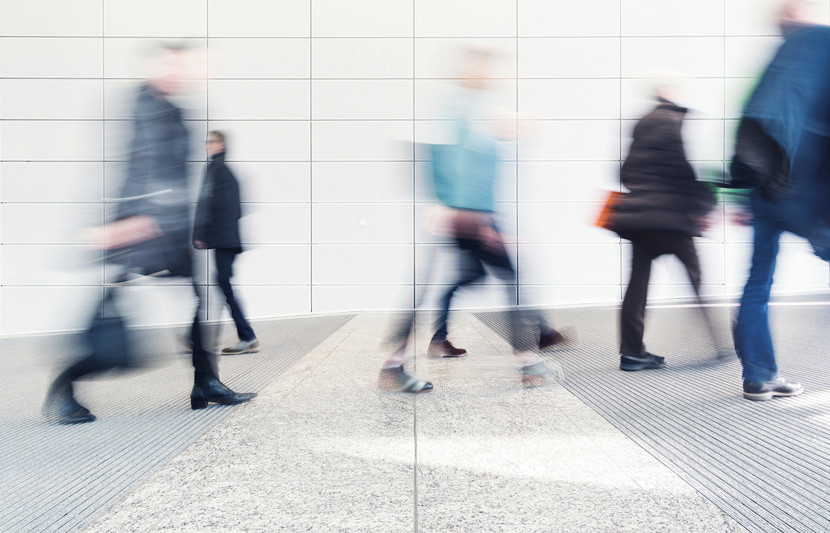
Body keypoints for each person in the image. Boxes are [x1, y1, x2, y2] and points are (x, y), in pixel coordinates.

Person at [43, 43, 255, 424]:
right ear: (154, 67)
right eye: (172, 64)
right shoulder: (141, 107)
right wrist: (124, 223)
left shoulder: (177, 112)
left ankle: (206, 382)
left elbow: (177, 179)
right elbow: (137, 168)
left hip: (167, 232)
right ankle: (65, 385)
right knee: (114, 333)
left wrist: (187, 232)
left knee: (205, 299)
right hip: (137, 229)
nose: (181, 72)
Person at [731, 2, 830, 400]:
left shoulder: (774, 63)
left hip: (764, 190)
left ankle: (758, 376)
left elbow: (747, 122)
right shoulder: (823, 45)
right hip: (805, 189)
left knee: (758, 281)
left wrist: (741, 193)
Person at [611, 79, 716, 372]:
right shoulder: (673, 121)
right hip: (671, 219)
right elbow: (685, 172)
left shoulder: (641, 122)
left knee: (637, 285)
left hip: (642, 219)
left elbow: (623, 171)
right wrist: (703, 207)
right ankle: (718, 344)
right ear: (669, 93)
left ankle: (632, 352)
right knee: (696, 279)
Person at [193, 131, 259, 355]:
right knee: (223, 284)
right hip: (225, 239)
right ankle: (232, 337)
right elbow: (235, 209)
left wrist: (200, 234)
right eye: (207, 142)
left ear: (222, 144)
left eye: (211, 142)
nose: (207, 146)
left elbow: (209, 205)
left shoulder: (218, 170)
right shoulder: (221, 170)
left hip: (224, 239)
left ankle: (246, 337)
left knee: (224, 285)